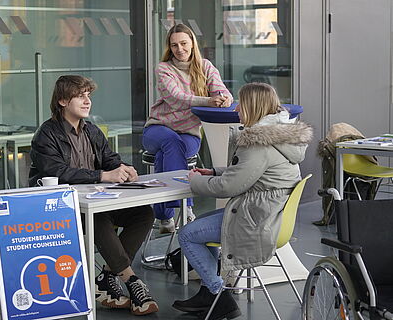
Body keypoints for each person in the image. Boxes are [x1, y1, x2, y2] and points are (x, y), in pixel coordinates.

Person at [172, 82, 313, 320]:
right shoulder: (281, 137)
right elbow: (251, 171)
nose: (236, 111)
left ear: (253, 107)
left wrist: (194, 180)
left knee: (187, 234)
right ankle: (209, 292)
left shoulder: (258, 143)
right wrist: (216, 171)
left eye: (241, 105)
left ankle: (218, 295)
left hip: (254, 221)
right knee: (201, 228)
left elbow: (229, 187)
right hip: (269, 217)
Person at [29, 75, 159, 316]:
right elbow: (57, 171)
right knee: (97, 219)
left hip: (97, 201)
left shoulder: (92, 131)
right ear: (62, 101)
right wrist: (103, 176)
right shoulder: (46, 134)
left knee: (143, 214)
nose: (87, 101)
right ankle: (132, 281)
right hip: (61, 208)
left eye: (88, 95)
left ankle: (108, 275)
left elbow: (110, 159)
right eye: (80, 96)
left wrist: (124, 169)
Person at [142, 23, 233, 234]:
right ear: (169, 48)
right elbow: (176, 99)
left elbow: (221, 90)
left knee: (167, 155)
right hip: (158, 128)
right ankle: (185, 207)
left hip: (188, 133)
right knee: (171, 142)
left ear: (192, 43)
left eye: (183, 43)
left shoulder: (206, 66)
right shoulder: (164, 68)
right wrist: (209, 101)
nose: (179, 49)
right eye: (174, 45)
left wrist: (224, 98)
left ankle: (164, 217)